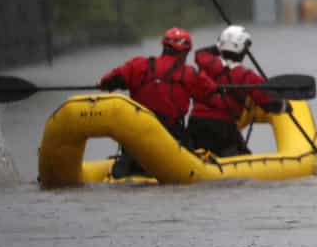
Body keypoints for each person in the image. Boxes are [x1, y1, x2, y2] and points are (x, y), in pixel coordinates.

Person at [99, 27, 219, 176]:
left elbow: (108, 81)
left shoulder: (138, 65)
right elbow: (212, 93)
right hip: (170, 137)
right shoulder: (189, 73)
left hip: (136, 133)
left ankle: (128, 164)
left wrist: (110, 84)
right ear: (184, 52)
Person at [189, 25, 283, 157]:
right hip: (222, 129)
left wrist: (222, 44)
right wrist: (283, 106)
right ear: (243, 50)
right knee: (244, 157)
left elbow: (201, 52)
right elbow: (269, 103)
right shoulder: (247, 76)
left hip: (195, 124)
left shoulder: (205, 61)